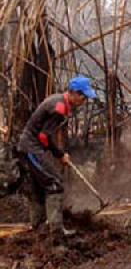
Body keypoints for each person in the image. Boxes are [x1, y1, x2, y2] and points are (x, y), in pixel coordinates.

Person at [16, 76, 97, 236]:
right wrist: (59, 154)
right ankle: (56, 230)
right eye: (83, 96)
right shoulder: (59, 108)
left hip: (27, 146)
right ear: (73, 93)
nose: (84, 100)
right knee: (54, 182)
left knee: (38, 185)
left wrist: (58, 154)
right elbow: (43, 137)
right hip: (31, 147)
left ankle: (38, 227)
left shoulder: (59, 101)